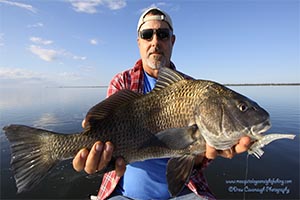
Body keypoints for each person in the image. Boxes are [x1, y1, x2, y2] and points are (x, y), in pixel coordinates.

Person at [73, 7, 251, 200]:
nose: (155, 42)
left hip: (185, 191)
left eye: (163, 34)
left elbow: (196, 155)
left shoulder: (194, 88)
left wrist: (206, 152)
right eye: (147, 35)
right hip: (124, 195)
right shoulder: (122, 82)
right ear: (139, 42)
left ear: (172, 40)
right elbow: (104, 132)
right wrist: (99, 162)